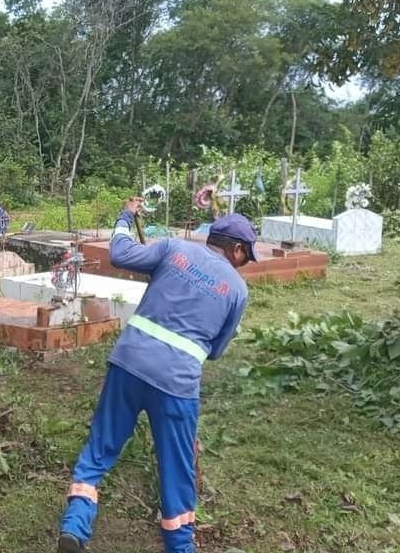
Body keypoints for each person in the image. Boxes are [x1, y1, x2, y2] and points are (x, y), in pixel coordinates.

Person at [56, 198, 256, 553]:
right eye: (246, 257)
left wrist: (125, 216)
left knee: (101, 447)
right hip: (176, 385)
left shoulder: (172, 248)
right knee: (176, 467)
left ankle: (75, 524)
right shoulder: (237, 290)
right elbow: (216, 350)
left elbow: (120, 253)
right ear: (237, 250)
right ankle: (180, 546)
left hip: (129, 363)